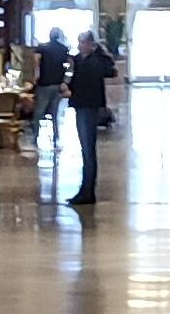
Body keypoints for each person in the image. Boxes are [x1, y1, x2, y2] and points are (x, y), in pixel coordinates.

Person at [64, 26, 115, 208]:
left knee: (88, 150)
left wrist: (100, 51)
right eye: (79, 42)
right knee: (85, 149)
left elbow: (110, 70)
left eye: (83, 42)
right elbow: (70, 77)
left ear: (90, 44)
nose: (80, 46)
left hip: (90, 106)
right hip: (80, 105)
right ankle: (85, 190)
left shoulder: (97, 61)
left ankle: (88, 191)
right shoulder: (77, 60)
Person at [31, 29, 69, 167]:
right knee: (54, 114)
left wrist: (36, 76)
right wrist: (65, 81)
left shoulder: (42, 48)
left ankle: (35, 138)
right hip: (57, 84)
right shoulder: (63, 49)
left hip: (44, 84)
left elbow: (36, 62)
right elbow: (68, 65)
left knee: (39, 112)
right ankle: (55, 139)